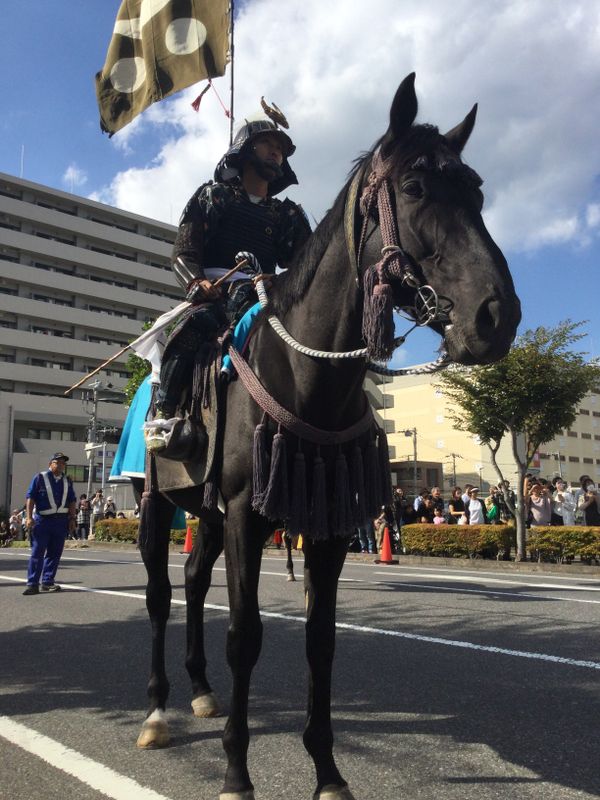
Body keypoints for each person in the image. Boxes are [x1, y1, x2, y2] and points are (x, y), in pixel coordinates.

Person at [144, 113, 311, 452]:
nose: (276, 152)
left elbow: (305, 264)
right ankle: (167, 415)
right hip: (218, 294)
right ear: (245, 150)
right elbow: (183, 253)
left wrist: (283, 281)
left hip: (268, 293)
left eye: (280, 148)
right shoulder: (213, 196)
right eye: (268, 143)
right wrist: (197, 283)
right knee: (192, 328)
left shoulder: (287, 216)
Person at [22, 453, 76, 594]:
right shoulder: (40, 478)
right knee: (37, 552)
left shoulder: (67, 481)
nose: (60, 465)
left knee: (55, 553)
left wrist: (72, 519)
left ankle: (47, 581)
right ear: (50, 464)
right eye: (57, 462)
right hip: (42, 521)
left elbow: (72, 500)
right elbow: (30, 498)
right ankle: (32, 583)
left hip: (61, 522)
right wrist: (28, 517)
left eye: (63, 463)